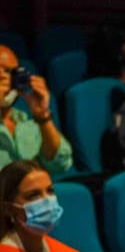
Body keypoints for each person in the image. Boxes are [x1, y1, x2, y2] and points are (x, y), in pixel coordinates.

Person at [0, 43, 73, 176]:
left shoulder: (28, 124)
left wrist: (42, 116)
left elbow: (61, 164)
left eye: (10, 72)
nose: (4, 78)